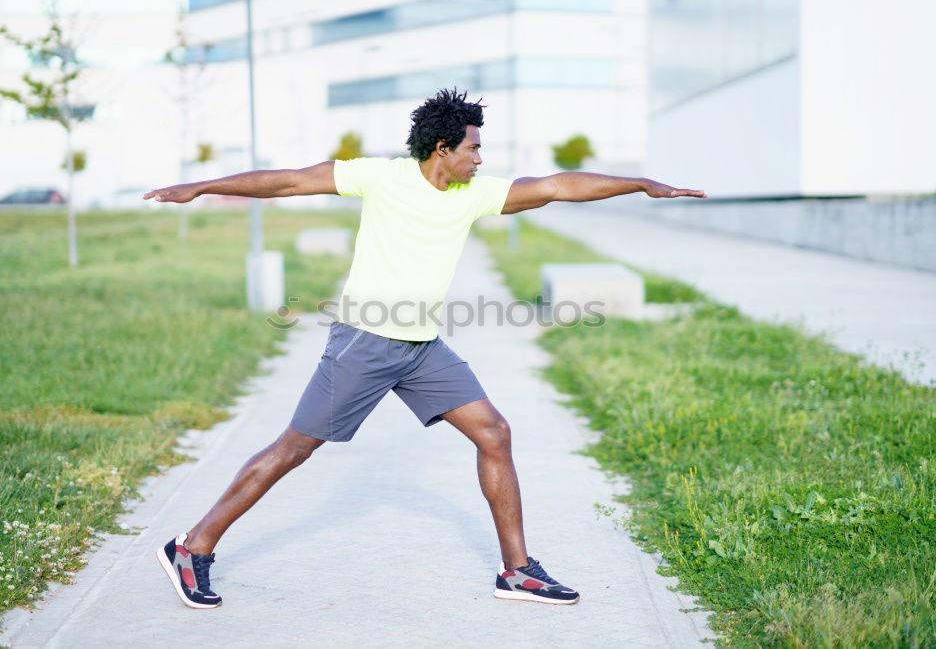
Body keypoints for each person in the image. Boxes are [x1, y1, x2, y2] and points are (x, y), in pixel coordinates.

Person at [145, 88, 705, 610]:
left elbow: (558, 185)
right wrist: (203, 186)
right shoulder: (381, 178)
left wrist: (639, 183)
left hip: (421, 347)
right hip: (364, 342)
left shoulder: (473, 195)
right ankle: (192, 547)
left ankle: (517, 571)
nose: (480, 160)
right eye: (474, 148)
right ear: (443, 148)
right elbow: (291, 181)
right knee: (294, 448)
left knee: (495, 432)